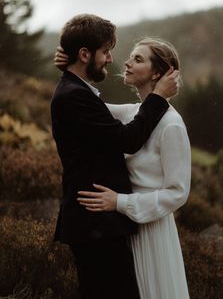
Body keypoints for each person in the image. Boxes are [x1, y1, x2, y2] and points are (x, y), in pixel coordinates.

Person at [51, 14, 179, 299]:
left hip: (102, 224)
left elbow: (123, 115)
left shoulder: (77, 91)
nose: (111, 59)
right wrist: (158, 97)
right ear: (85, 54)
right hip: (95, 223)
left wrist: (69, 63)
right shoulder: (73, 95)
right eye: (106, 51)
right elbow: (127, 139)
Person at [75, 38, 191, 299]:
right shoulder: (133, 114)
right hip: (123, 229)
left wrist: (120, 202)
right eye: (130, 57)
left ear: (158, 73)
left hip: (152, 232)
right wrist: (70, 67)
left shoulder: (172, 125)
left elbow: (178, 193)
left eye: (138, 59)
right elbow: (84, 105)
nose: (126, 63)